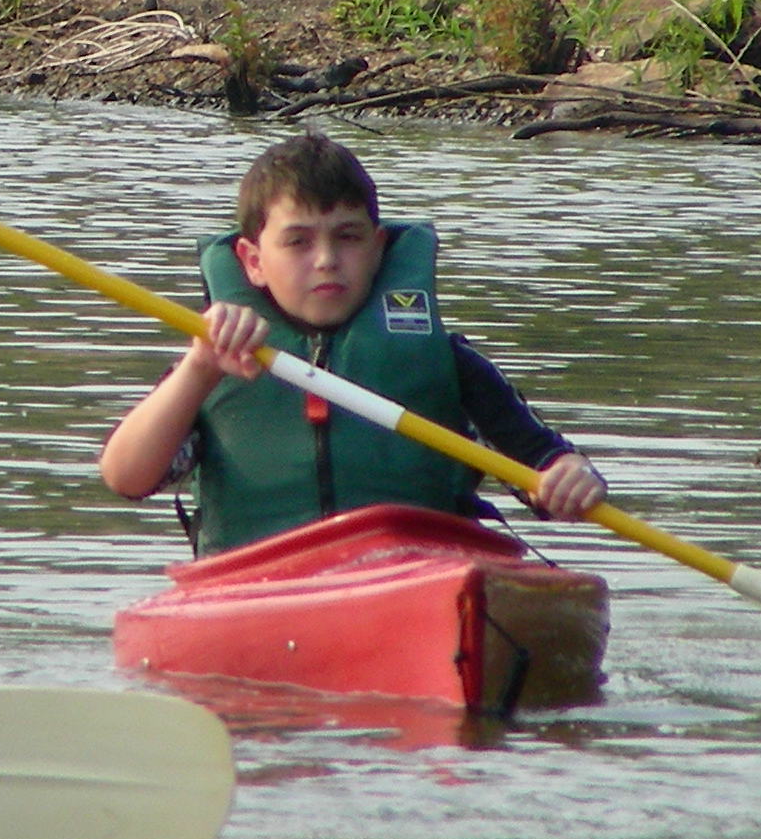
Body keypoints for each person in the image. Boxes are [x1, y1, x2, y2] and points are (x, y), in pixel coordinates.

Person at [99, 132, 608, 556]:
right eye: (298, 241)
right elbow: (127, 477)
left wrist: (572, 476)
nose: (326, 259)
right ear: (252, 260)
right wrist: (198, 369)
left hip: (418, 578)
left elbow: (545, 466)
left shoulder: (447, 364)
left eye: (347, 237)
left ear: (378, 247)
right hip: (259, 585)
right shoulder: (213, 364)